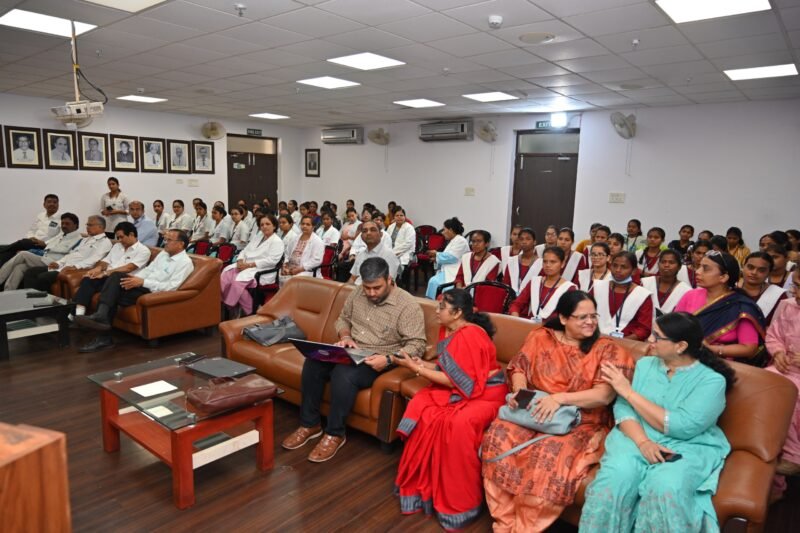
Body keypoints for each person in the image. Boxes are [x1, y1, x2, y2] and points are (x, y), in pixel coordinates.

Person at [481, 291, 635, 532]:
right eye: (582, 317)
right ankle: (505, 520)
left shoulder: (607, 350)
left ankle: (524, 528)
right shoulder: (541, 337)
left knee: (548, 456)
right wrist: (521, 393)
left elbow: (604, 395)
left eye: (594, 316)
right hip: (533, 410)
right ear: (563, 318)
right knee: (498, 436)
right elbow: (519, 366)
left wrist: (559, 399)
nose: (590, 322)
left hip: (580, 421)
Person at [580, 312, 735, 533]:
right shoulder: (646, 365)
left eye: (657, 336)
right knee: (615, 478)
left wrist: (628, 392)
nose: (650, 340)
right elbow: (624, 408)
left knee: (664, 485)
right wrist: (643, 442)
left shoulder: (711, 381)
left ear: (680, 346)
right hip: (636, 437)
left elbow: (682, 426)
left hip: (687, 445)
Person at [282, 257, 426, 462]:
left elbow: (417, 345)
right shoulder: (358, 293)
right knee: (314, 361)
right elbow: (343, 319)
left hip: (380, 358)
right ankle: (310, 424)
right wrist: (346, 337)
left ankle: (335, 434)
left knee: (344, 374)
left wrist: (388, 359)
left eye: (377, 288)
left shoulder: (407, 306)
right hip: (352, 349)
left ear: (389, 279)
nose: (371, 293)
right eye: (367, 288)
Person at [394, 289, 507, 530]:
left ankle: (461, 506)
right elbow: (448, 368)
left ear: (457, 313)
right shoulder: (449, 329)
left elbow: (457, 380)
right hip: (468, 388)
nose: (436, 311)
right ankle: (427, 490)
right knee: (427, 412)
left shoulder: (470, 335)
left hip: (487, 394)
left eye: (442, 308)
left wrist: (416, 370)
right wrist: (420, 364)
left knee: (455, 426)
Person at [75, 229, 193, 351]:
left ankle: (102, 327)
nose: (165, 242)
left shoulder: (185, 263)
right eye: (165, 239)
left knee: (113, 285)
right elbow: (148, 270)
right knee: (112, 286)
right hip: (140, 286)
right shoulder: (163, 254)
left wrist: (143, 282)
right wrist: (134, 279)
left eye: (169, 240)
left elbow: (171, 287)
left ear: (181, 244)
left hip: (152, 293)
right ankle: (102, 325)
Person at [675, 251, 766, 365]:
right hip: (682, 356)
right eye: (699, 267)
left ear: (723, 277)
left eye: (705, 269)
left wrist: (711, 350)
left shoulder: (740, 306)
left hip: (721, 364)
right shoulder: (690, 295)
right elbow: (673, 327)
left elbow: (749, 348)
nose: (697, 272)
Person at [765, 268, 800, 497]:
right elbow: (773, 335)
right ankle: (765, 458)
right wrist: (777, 352)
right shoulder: (788, 306)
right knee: (760, 390)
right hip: (782, 368)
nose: (796, 292)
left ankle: (792, 457)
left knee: (790, 396)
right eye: (795, 285)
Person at [70, 221, 152, 318]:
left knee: (113, 277)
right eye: (118, 237)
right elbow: (106, 261)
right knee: (88, 279)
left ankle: (94, 316)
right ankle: (78, 314)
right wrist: (98, 268)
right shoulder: (117, 246)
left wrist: (105, 273)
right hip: (107, 277)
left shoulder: (143, 250)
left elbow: (129, 268)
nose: (119, 240)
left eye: (121, 237)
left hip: (122, 282)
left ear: (131, 234)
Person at [22, 216, 112, 292]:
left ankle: (44, 304)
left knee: (43, 277)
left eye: (90, 225)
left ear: (100, 227)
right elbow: (71, 253)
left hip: (75, 269)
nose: (87, 227)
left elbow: (94, 259)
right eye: (87, 225)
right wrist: (59, 263)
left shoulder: (105, 242)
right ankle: (28, 300)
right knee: (31, 272)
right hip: (63, 266)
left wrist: (76, 266)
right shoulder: (85, 239)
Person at [220, 214, 284, 316]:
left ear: (274, 226)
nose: (264, 226)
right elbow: (245, 250)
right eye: (262, 225)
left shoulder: (277, 241)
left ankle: (250, 310)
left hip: (261, 270)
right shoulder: (258, 236)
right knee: (226, 274)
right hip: (246, 265)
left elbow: (272, 261)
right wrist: (240, 260)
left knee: (237, 283)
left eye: (267, 224)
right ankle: (222, 303)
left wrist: (249, 265)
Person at [0, 213, 81, 290]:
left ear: (75, 225)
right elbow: (47, 246)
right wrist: (33, 250)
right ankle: (8, 292)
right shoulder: (61, 235)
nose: (64, 226)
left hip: (54, 262)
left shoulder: (78, 239)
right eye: (62, 223)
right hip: (44, 258)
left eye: (67, 224)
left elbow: (67, 253)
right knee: (20, 267)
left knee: (23, 254)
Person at [593, 251, 653, 340]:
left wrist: (620, 342)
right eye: (615, 265)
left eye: (624, 267)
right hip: (595, 338)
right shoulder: (597, 287)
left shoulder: (642, 295)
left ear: (634, 271)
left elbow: (644, 329)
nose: (618, 270)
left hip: (626, 343)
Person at [508, 246, 576, 321]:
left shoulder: (569, 288)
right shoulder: (535, 282)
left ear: (562, 264)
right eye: (545, 261)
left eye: (553, 262)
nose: (548, 265)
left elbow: (569, 316)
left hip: (553, 327)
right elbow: (516, 304)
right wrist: (516, 319)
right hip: (529, 325)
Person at [0, 194, 60, 267]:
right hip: (33, 242)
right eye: (49, 202)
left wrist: (45, 243)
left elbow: (60, 236)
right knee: (9, 252)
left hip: (45, 246)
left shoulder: (61, 218)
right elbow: (32, 230)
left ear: (58, 205)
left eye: (55, 202)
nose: (52, 204)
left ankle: (2, 249)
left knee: (22, 243)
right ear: (44, 205)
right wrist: (31, 237)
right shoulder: (40, 216)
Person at [425, 217, 469, 299]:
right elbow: (448, 255)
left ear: (451, 230)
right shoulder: (454, 240)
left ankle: (435, 303)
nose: (442, 232)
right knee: (433, 281)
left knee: (435, 282)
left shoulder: (461, 241)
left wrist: (436, 254)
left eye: (444, 229)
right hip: (447, 270)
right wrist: (436, 258)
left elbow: (452, 257)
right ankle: (431, 302)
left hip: (455, 271)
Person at [738, 252, 786, 327]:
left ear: (769, 273)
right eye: (750, 267)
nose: (754, 272)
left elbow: (781, 326)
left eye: (761, 270)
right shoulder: (730, 289)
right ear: (743, 267)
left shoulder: (778, 295)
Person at [641, 250, 692, 319]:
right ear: (658, 265)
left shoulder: (686, 291)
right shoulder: (645, 283)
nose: (666, 265)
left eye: (671, 262)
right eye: (663, 262)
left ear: (679, 267)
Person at [349, 221, 399, 285]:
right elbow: (352, 278)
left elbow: (388, 283)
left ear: (381, 234)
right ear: (361, 237)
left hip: (373, 289)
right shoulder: (360, 254)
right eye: (365, 231)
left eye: (373, 230)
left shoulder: (389, 255)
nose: (368, 233)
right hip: (356, 288)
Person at [279, 215, 324, 283]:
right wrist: (285, 265)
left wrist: (299, 269)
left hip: (306, 271)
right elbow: (287, 253)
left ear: (313, 227)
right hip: (290, 268)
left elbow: (316, 260)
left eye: (308, 224)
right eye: (303, 224)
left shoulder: (318, 241)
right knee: (277, 274)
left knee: (292, 280)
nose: (304, 226)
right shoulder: (295, 238)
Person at [503, 228, 539, 294]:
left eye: (528, 239)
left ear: (534, 242)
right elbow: (506, 284)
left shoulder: (541, 263)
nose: (524, 242)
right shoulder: (512, 261)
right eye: (521, 239)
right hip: (511, 297)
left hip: (531, 298)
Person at [385, 206, 416, 278]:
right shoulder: (391, 227)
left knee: (394, 263)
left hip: (405, 252)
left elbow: (408, 244)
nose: (399, 217)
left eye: (401, 215)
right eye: (397, 215)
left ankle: (395, 279)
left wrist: (394, 252)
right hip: (391, 251)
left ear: (405, 217)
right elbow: (386, 240)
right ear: (394, 217)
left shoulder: (409, 228)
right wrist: (388, 251)